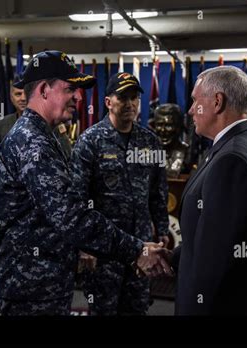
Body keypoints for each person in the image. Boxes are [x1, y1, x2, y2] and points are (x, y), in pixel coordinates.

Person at [0, 51, 171, 316]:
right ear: (43, 90)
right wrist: (137, 248)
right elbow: (71, 216)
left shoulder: (42, 136)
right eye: (70, 88)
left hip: (44, 278)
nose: (78, 97)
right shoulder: (32, 142)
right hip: (31, 283)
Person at [168, 66, 247, 315]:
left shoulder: (232, 159)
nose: (190, 111)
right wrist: (171, 257)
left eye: (195, 101)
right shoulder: (245, 144)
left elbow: (215, 263)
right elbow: (218, 239)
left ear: (217, 101)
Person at [69, 72, 170, 315]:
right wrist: (84, 246)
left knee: (137, 307)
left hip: (142, 244)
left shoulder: (150, 141)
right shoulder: (89, 141)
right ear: (108, 102)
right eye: (123, 97)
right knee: (104, 309)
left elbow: (158, 191)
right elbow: (78, 198)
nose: (130, 104)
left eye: (134, 97)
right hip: (104, 249)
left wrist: (163, 230)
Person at [0, 75, 72, 161]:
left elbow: (67, 156)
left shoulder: (51, 123)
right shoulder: (2, 126)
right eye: (18, 94)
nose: (22, 98)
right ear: (11, 97)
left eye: (26, 94)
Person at [152, 103, 190, 178]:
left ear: (179, 127)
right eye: (159, 125)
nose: (163, 130)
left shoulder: (188, 154)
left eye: (168, 125)